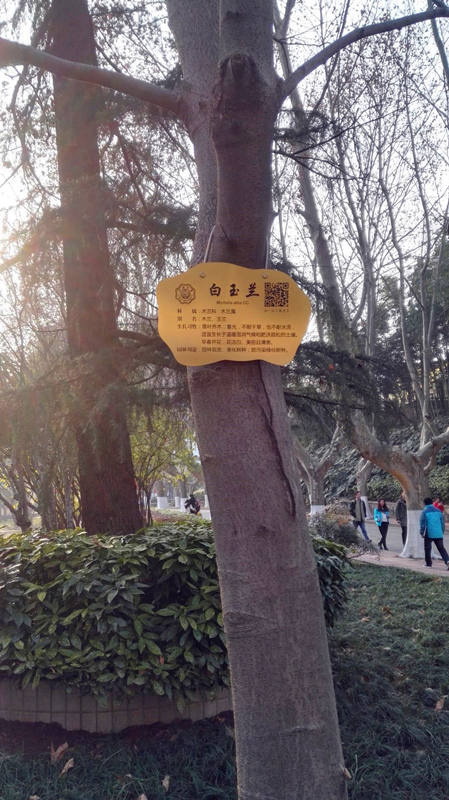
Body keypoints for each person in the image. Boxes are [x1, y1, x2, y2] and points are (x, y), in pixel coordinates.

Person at [420, 496, 449, 569]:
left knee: (427, 548)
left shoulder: (424, 512)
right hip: (438, 532)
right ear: (432, 502)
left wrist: (422, 532)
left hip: (429, 533)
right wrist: (442, 531)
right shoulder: (438, 511)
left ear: (424, 503)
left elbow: (422, 523)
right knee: (441, 548)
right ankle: (447, 560)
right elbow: (442, 522)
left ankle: (428, 563)